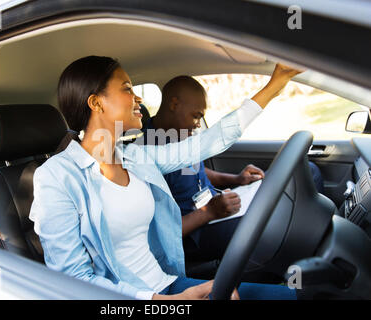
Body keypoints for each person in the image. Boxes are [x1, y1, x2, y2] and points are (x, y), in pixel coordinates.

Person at [29, 55, 300, 300]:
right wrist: (166, 303)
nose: (139, 99)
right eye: (127, 88)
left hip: (170, 284)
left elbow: (206, 143)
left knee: (295, 296)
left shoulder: (136, 156)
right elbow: (74, 282)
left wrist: (274, 86)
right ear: (96, 102)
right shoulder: (55, 178)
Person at [140, 74, 325, 268]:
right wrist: (208, 212)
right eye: (196, 116)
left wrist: (237, 179)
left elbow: (195, 172)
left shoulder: (181, 134)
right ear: (174, 104)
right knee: (271, 223)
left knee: (307, 172)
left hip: (217, 207)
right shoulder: (147, 153)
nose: (197, 125)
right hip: (197, 232)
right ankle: (305, 273)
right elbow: (159, 233)